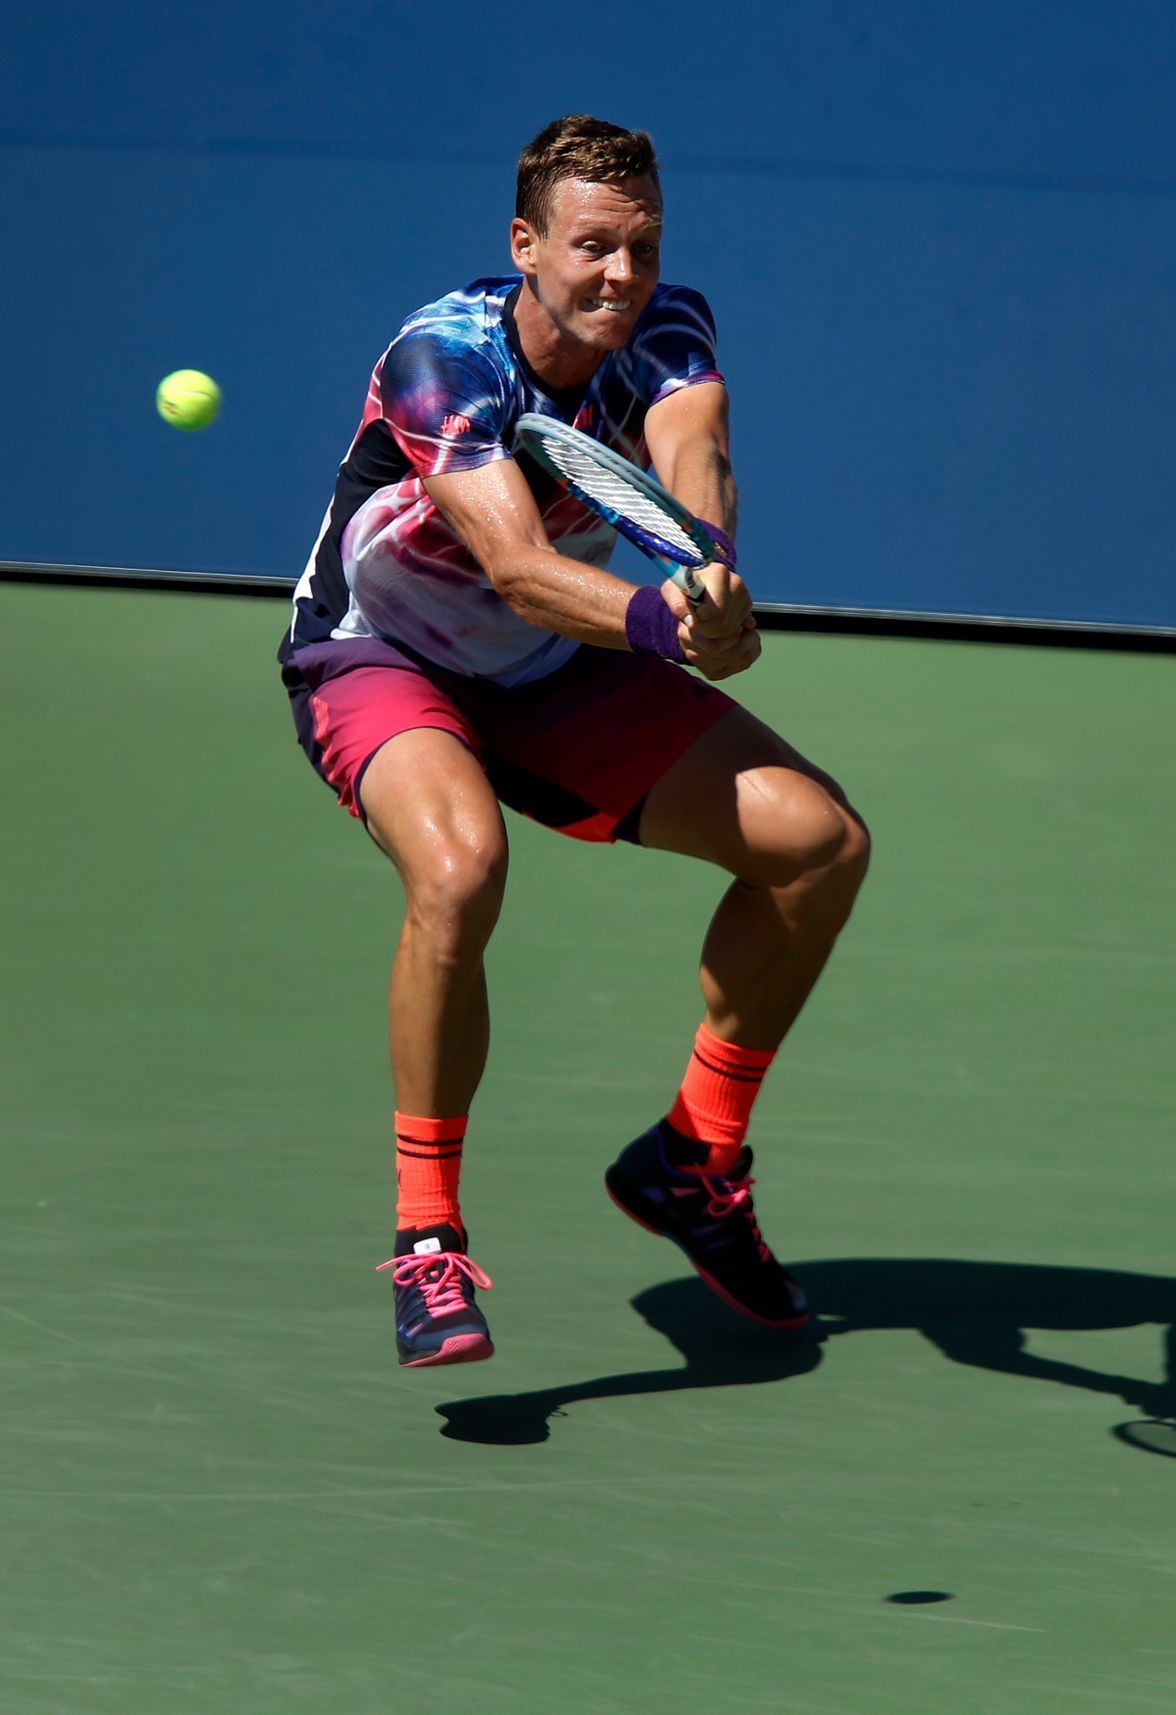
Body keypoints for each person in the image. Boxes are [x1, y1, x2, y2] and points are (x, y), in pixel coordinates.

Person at [278, 115, 870, 1368]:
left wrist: (707, 567)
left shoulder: (665, 325)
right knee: (459, 866)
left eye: (641, 247)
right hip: (381, 656)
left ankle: (692, 1161)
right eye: (593, 247)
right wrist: (660, 617)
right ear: (524, 243)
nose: (621, 275)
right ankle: (427, 1238)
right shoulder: (443, 358)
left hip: (553, 672)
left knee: (818, 844)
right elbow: (519, 566)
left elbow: (692, 453)